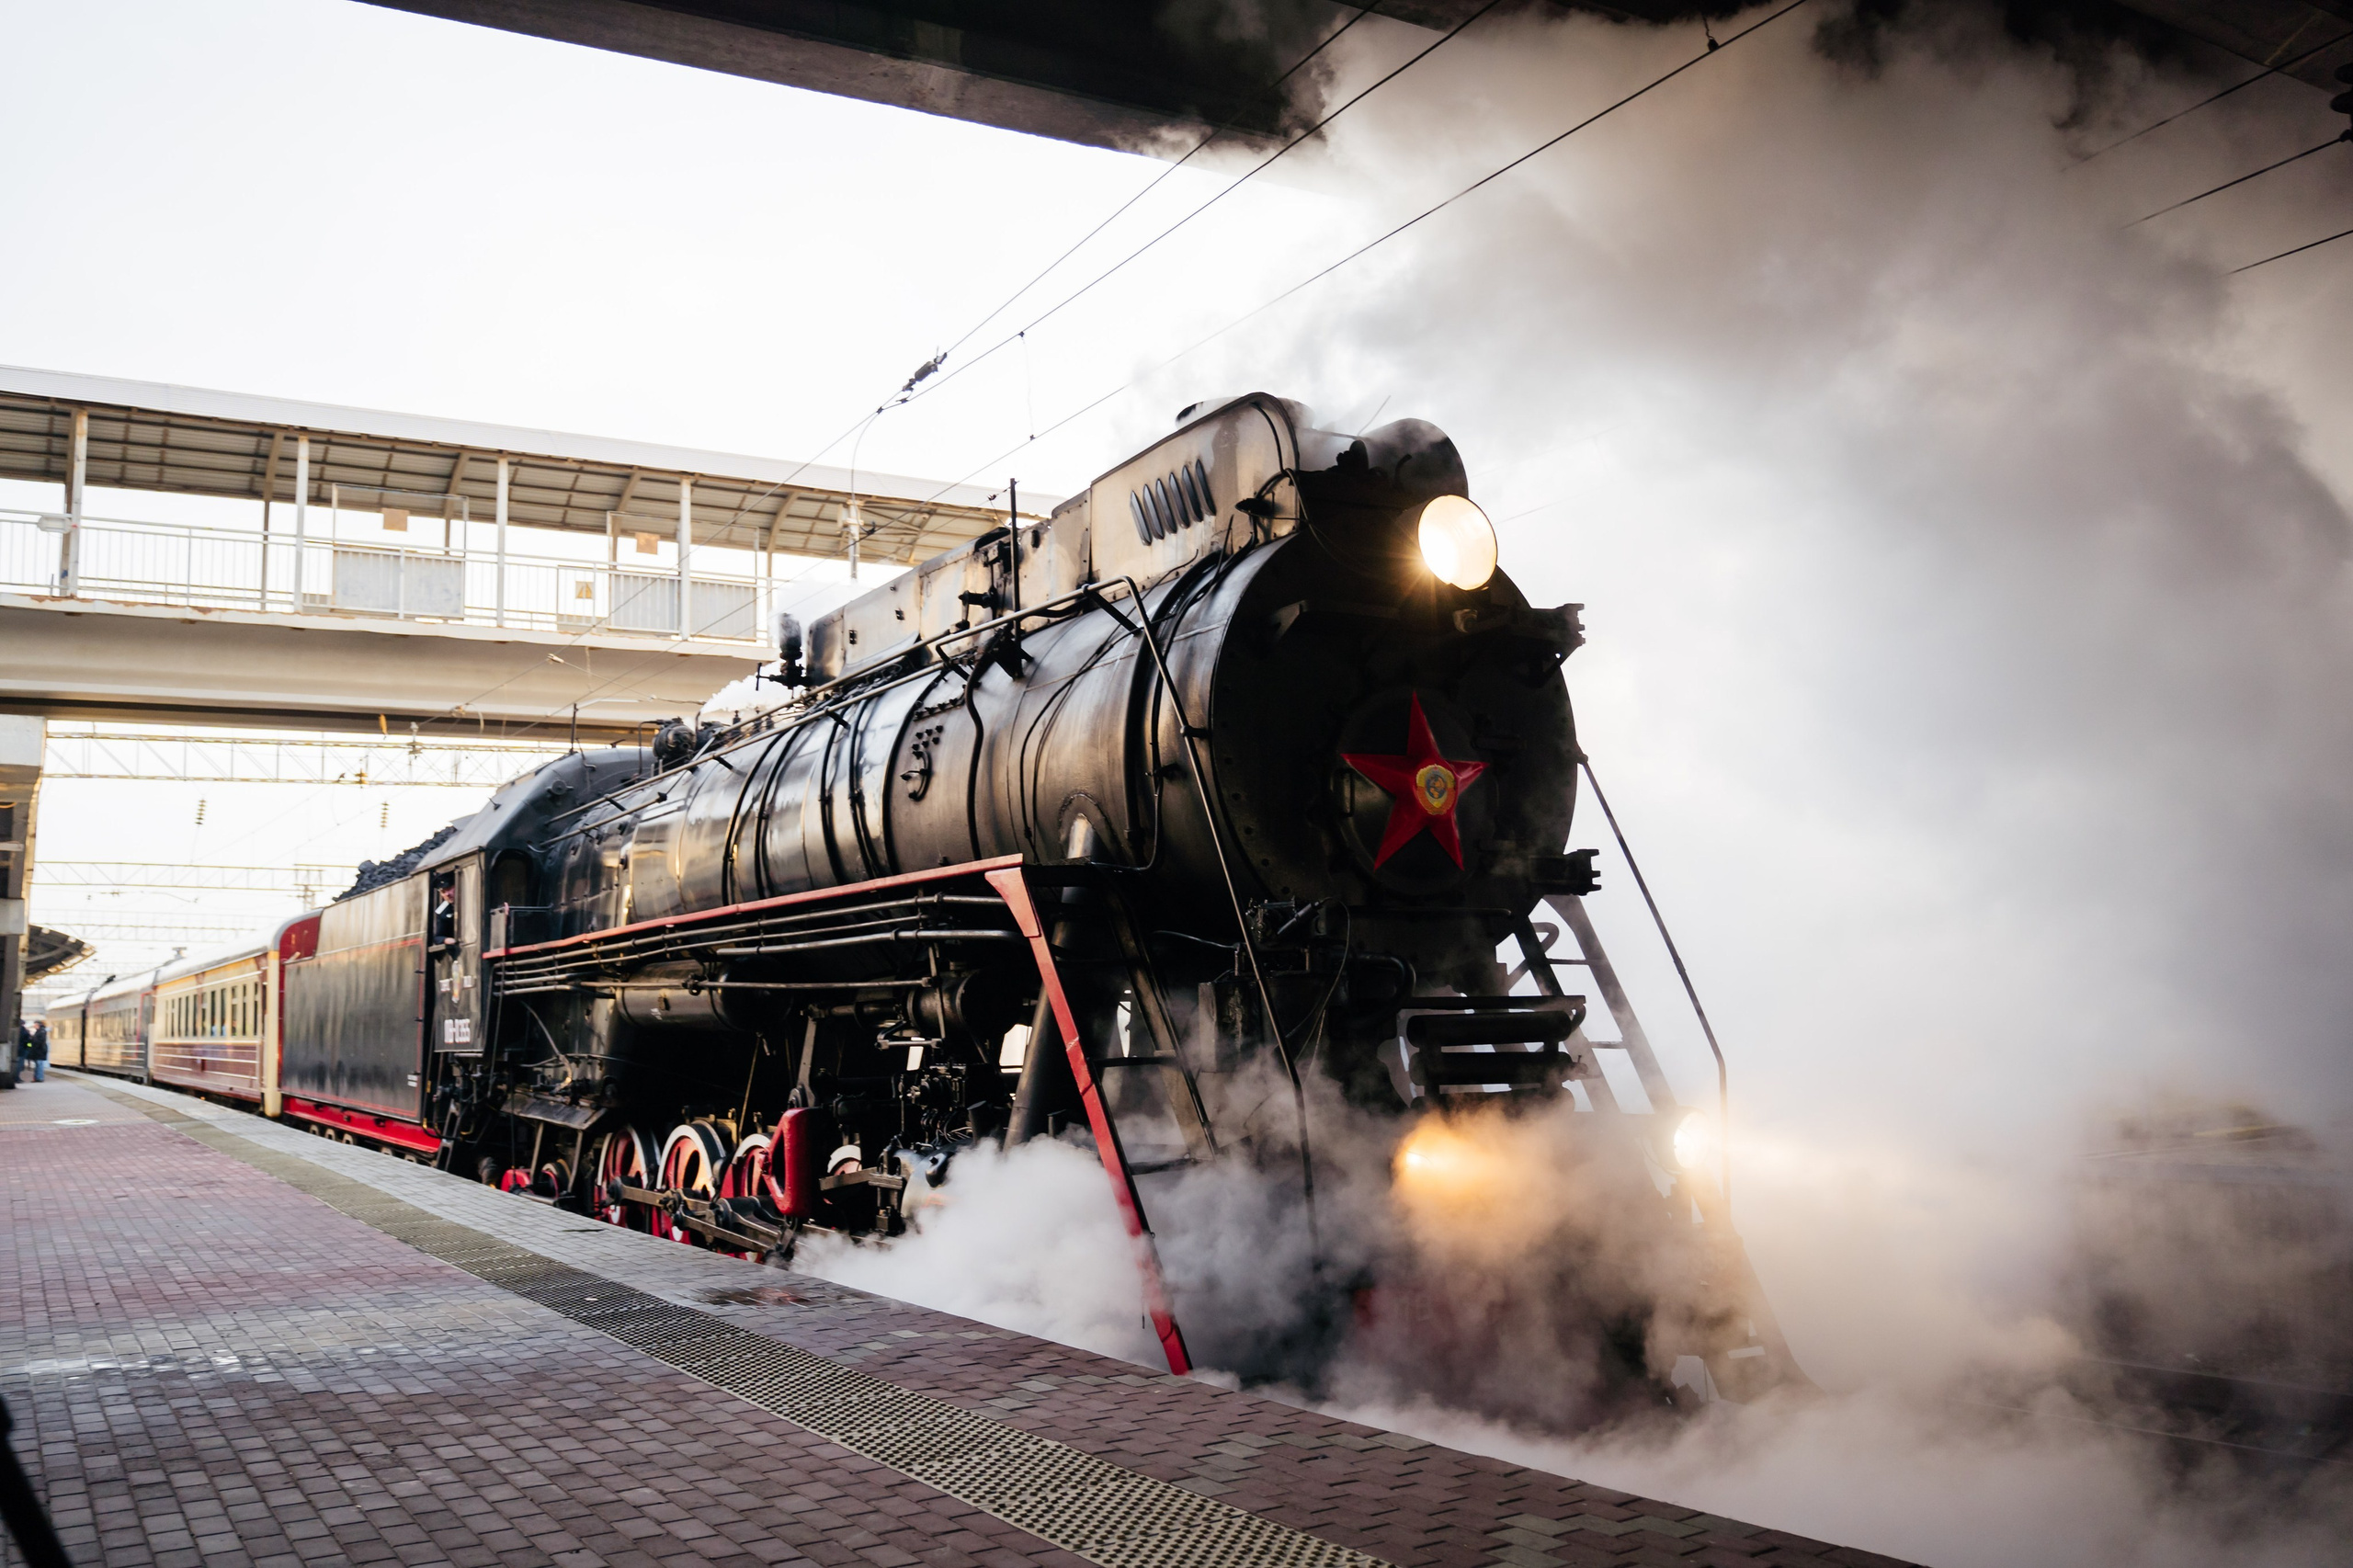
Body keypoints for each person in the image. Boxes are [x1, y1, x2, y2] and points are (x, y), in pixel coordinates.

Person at [20, 1018, 46, 1083]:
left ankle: (39, 1078)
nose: (34, 1026)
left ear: (38, 1025)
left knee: (39, 1065)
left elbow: (39, 1041)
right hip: (38, 1051)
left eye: (35, 1024)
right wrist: (30, 1045)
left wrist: (32, 1043)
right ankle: (37, 1077)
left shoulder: (41, 1031)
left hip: (39, 1051)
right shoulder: (39, 1031)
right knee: (38, 1065)